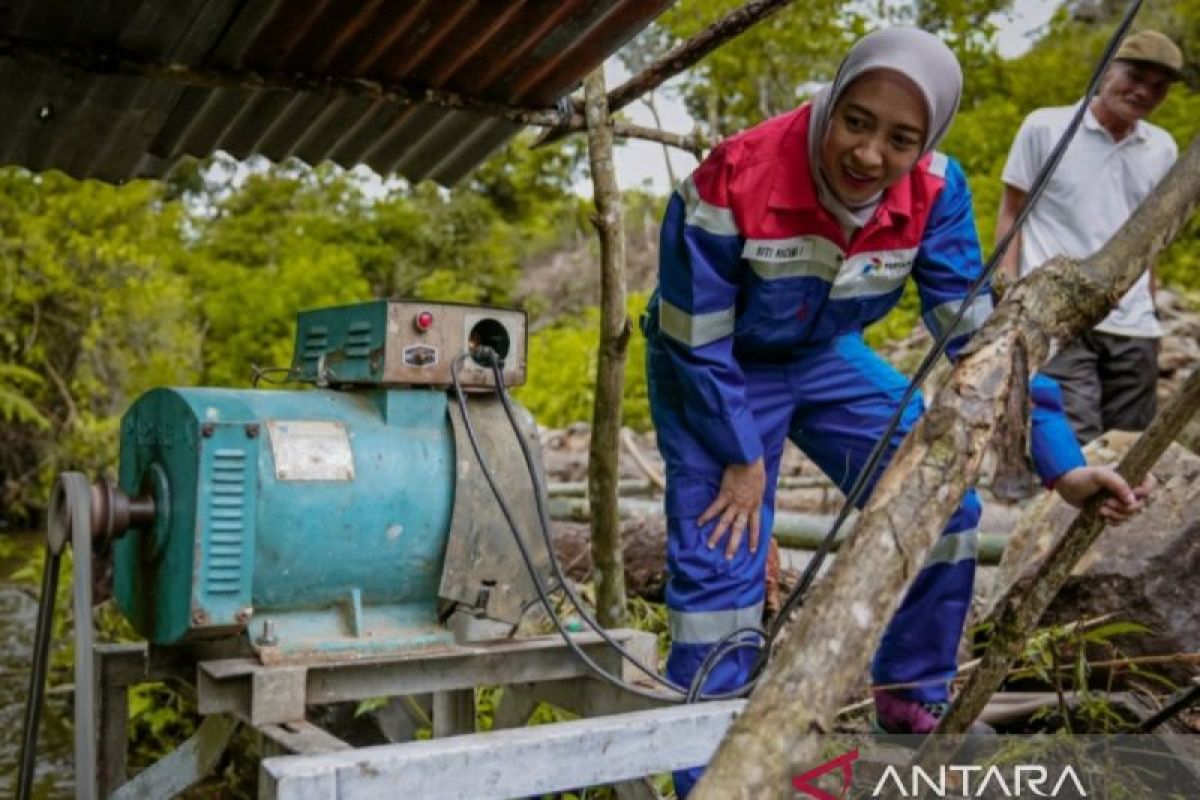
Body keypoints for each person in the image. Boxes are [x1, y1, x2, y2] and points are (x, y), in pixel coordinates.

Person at [643, 26, 1151, 797]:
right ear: (830, 104)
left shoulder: (938, 192)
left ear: (929, 138)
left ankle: (911, 702)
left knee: (941, 499)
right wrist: (742, 457)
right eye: (856, 121)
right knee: (725, 559)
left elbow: (982, 343)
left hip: (825, 356)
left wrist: (1064, 464)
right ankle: (708, 770)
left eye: (901, 138)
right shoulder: (733, 177)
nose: (870, 154)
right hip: (717, 367)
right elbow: (695, 338)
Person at [996, 30, 1182, 445]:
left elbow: (1150, 235)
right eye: (1134, 76)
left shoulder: (1162, 149)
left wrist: (1150, 302)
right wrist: (1008, 290)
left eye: (1158, 87)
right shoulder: (1046, 127)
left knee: (1128, 448)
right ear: (1107, 69)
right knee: (1072, 439)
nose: (1143, 93)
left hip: (1133, 324)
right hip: (1058, 314)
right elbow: (1012, 213)